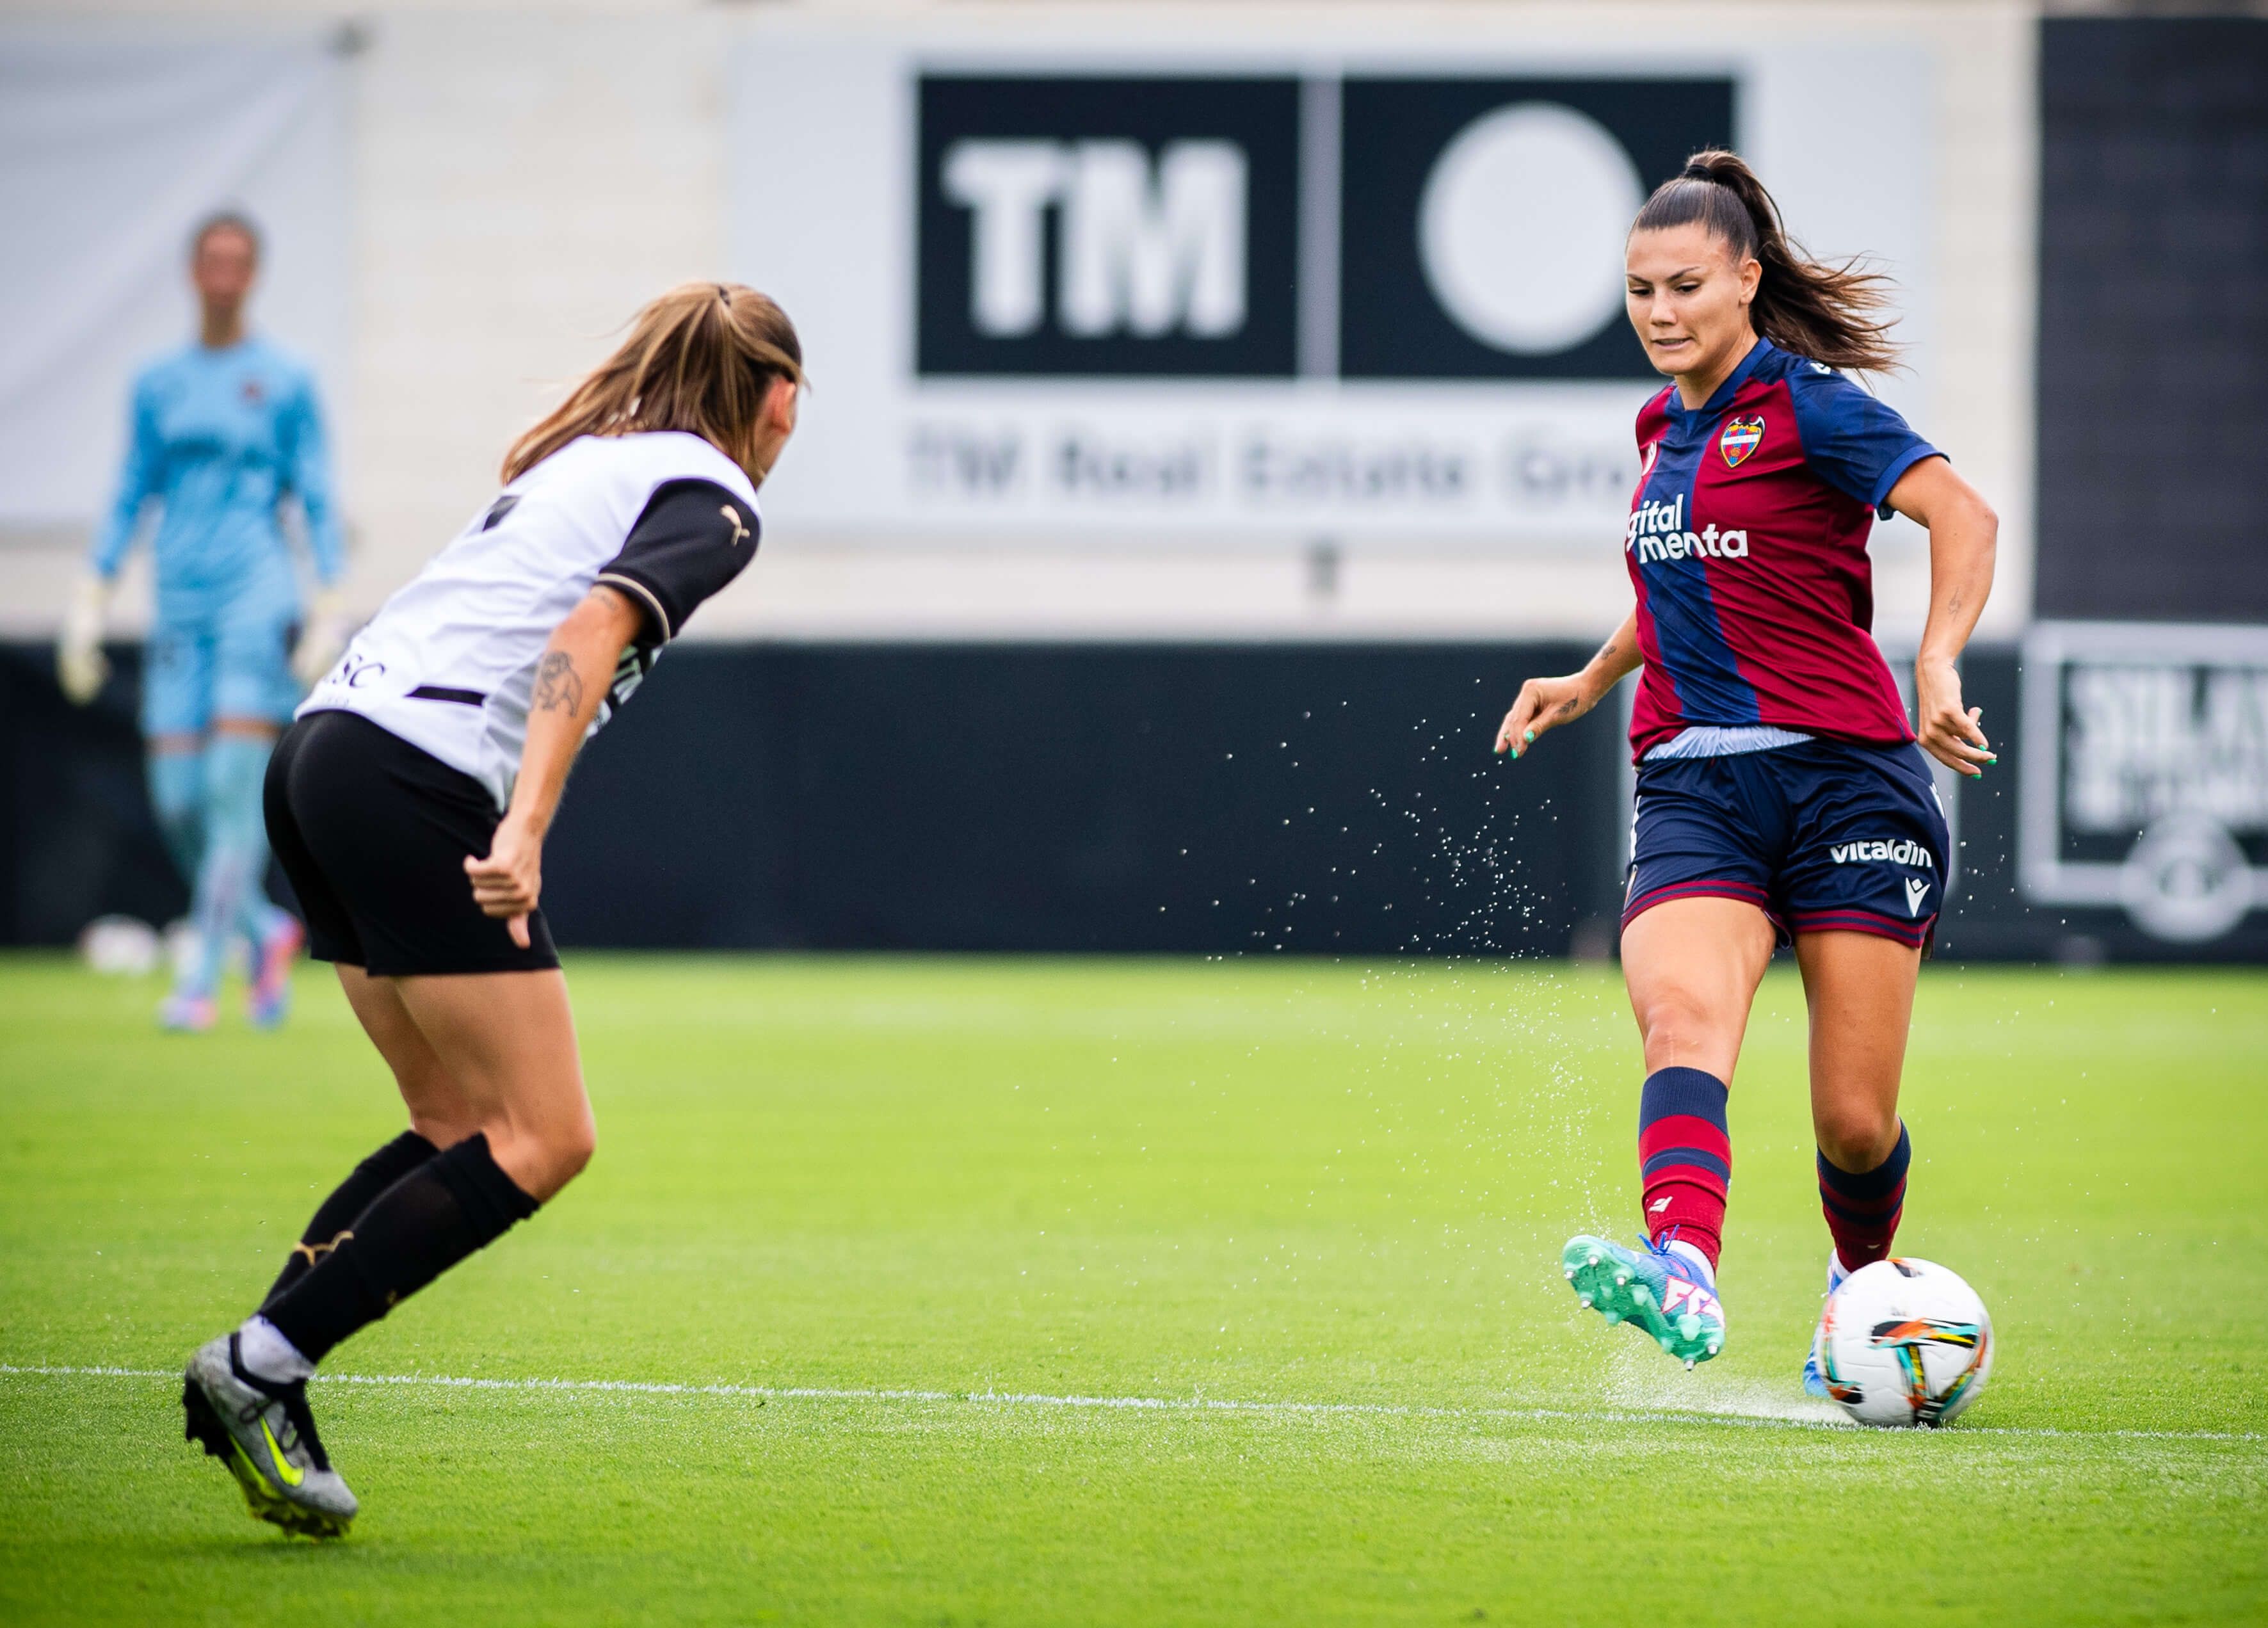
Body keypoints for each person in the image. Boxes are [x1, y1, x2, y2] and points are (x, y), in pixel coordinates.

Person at [178, 281, 803, 1538]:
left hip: (322, 752)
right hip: (414, 776)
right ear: (777, 396)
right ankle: (259, 1362)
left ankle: (266, 1370)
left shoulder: (595, 458)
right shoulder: (713, 495)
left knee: (455, 1120)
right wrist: (523, 820)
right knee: (544, 1134)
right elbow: (593, 623)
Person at [1492, 152, 1997, 1387]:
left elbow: (1964, 515)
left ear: (1744, 281)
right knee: (1679, 1015)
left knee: (1852, 1123)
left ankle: (1856, 1290)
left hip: (1848, 781)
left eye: (1683, 286)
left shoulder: (1811, 407)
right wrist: (1594, 676)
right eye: (1638, 291)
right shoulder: (1656, 428)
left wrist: (1936, 661)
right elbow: (1687, 578)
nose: (1658, 312)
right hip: (1694, 782)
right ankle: (1682, 1266)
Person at [58, 211, 349, 1032]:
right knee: (179, 799)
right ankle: (266, 928)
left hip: (256, 595)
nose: (223, 275)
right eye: (211, 260)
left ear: (252, 274)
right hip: (179, 604)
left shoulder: (287, 379)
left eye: (237, 261)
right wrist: (92, 593)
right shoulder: (159, 383)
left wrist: (328, 599)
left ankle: (198, 979)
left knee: (229, 793)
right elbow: (131, 487)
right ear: (194, 272)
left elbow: (315, 491)